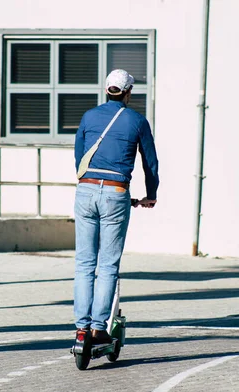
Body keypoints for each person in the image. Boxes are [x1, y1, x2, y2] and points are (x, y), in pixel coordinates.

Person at [73, 69, 159, 344]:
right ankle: (99, 328)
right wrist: (150, 195)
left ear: (106, 89)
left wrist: (91, 183)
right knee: (108, 265)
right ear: (128, 92)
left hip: (85, 190)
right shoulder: (137, 121)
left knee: (84, 264)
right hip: (115, 193)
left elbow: (79, 157)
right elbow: (150, 163)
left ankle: (80, 328)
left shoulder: (88, 116)